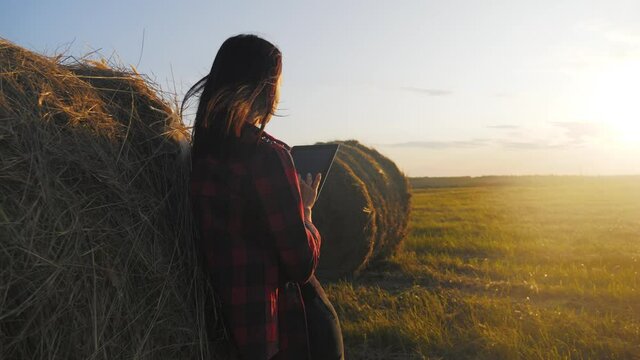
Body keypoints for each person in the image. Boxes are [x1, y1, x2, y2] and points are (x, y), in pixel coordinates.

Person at [185, 34, 344, 360]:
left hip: (218, 325)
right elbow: (300, 264)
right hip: (275, 333)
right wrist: (307, 211)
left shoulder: (195, 156)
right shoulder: (267, 156)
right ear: (266, 89)